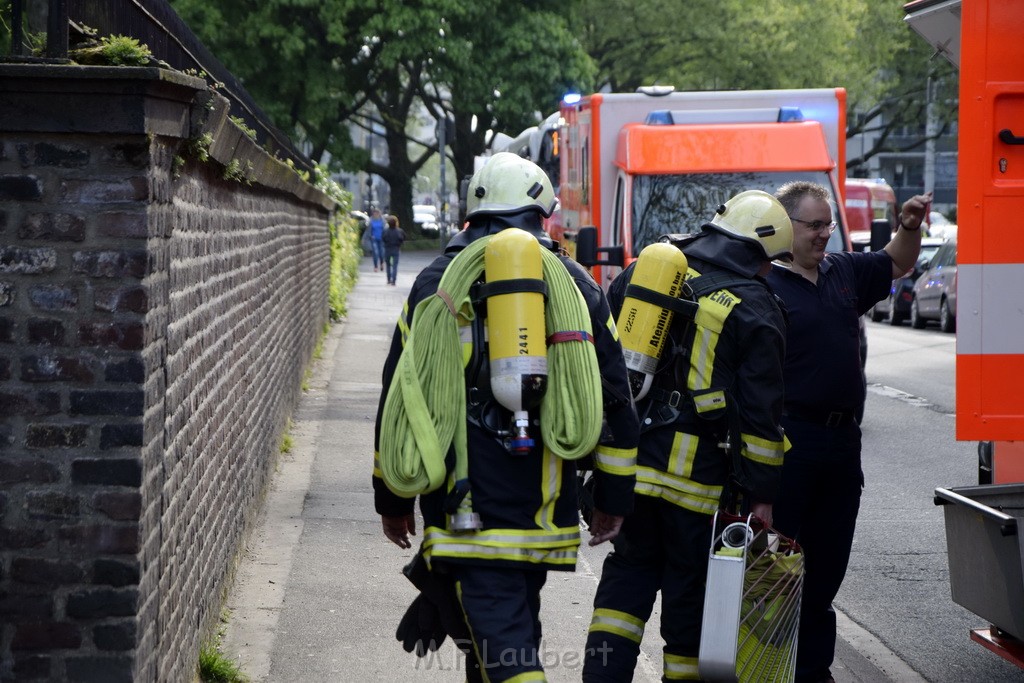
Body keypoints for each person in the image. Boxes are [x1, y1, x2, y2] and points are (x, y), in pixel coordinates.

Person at [373, 152, 640, 681]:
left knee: (506, 651)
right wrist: (612, 500)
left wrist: (393, 498)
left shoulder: (437, 284)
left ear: (473, 214)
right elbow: (616, 401)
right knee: (509, 636)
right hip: (542, 511)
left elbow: (399, 401)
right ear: (543, 214)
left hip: (464, 509)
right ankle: (445, 596)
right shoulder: (577, 284)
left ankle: (446, 595)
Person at [583, 190, 793, 682]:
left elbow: (607, 368)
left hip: (631, 473)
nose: (770, 271)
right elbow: (761, 418)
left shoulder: (645, 273)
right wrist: (762, 495)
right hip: (698, 487)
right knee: (689, 602)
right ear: (757, 253)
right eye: (770, 262)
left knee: (626, 583)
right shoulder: (756, 304)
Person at [766, 181, 930, 683]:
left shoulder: (842, 271)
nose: (824, 235)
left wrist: (908, 226)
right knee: (778, 569)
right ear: (784, 226)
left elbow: (896, 262)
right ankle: (772, 666)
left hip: (841, 446)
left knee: (827, 568)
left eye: (828, 225)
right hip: (790, 441)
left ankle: (813, 669)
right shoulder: (765, 284)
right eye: (814, 225)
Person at [382, 214, 406, 285]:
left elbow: (383, 238)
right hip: (396, 249)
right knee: (395, 265)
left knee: (388, 265)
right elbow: (403, 238)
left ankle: (388, 279)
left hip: (388, 249)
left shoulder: (386, 231)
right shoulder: (400, 231)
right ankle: (394, 280)